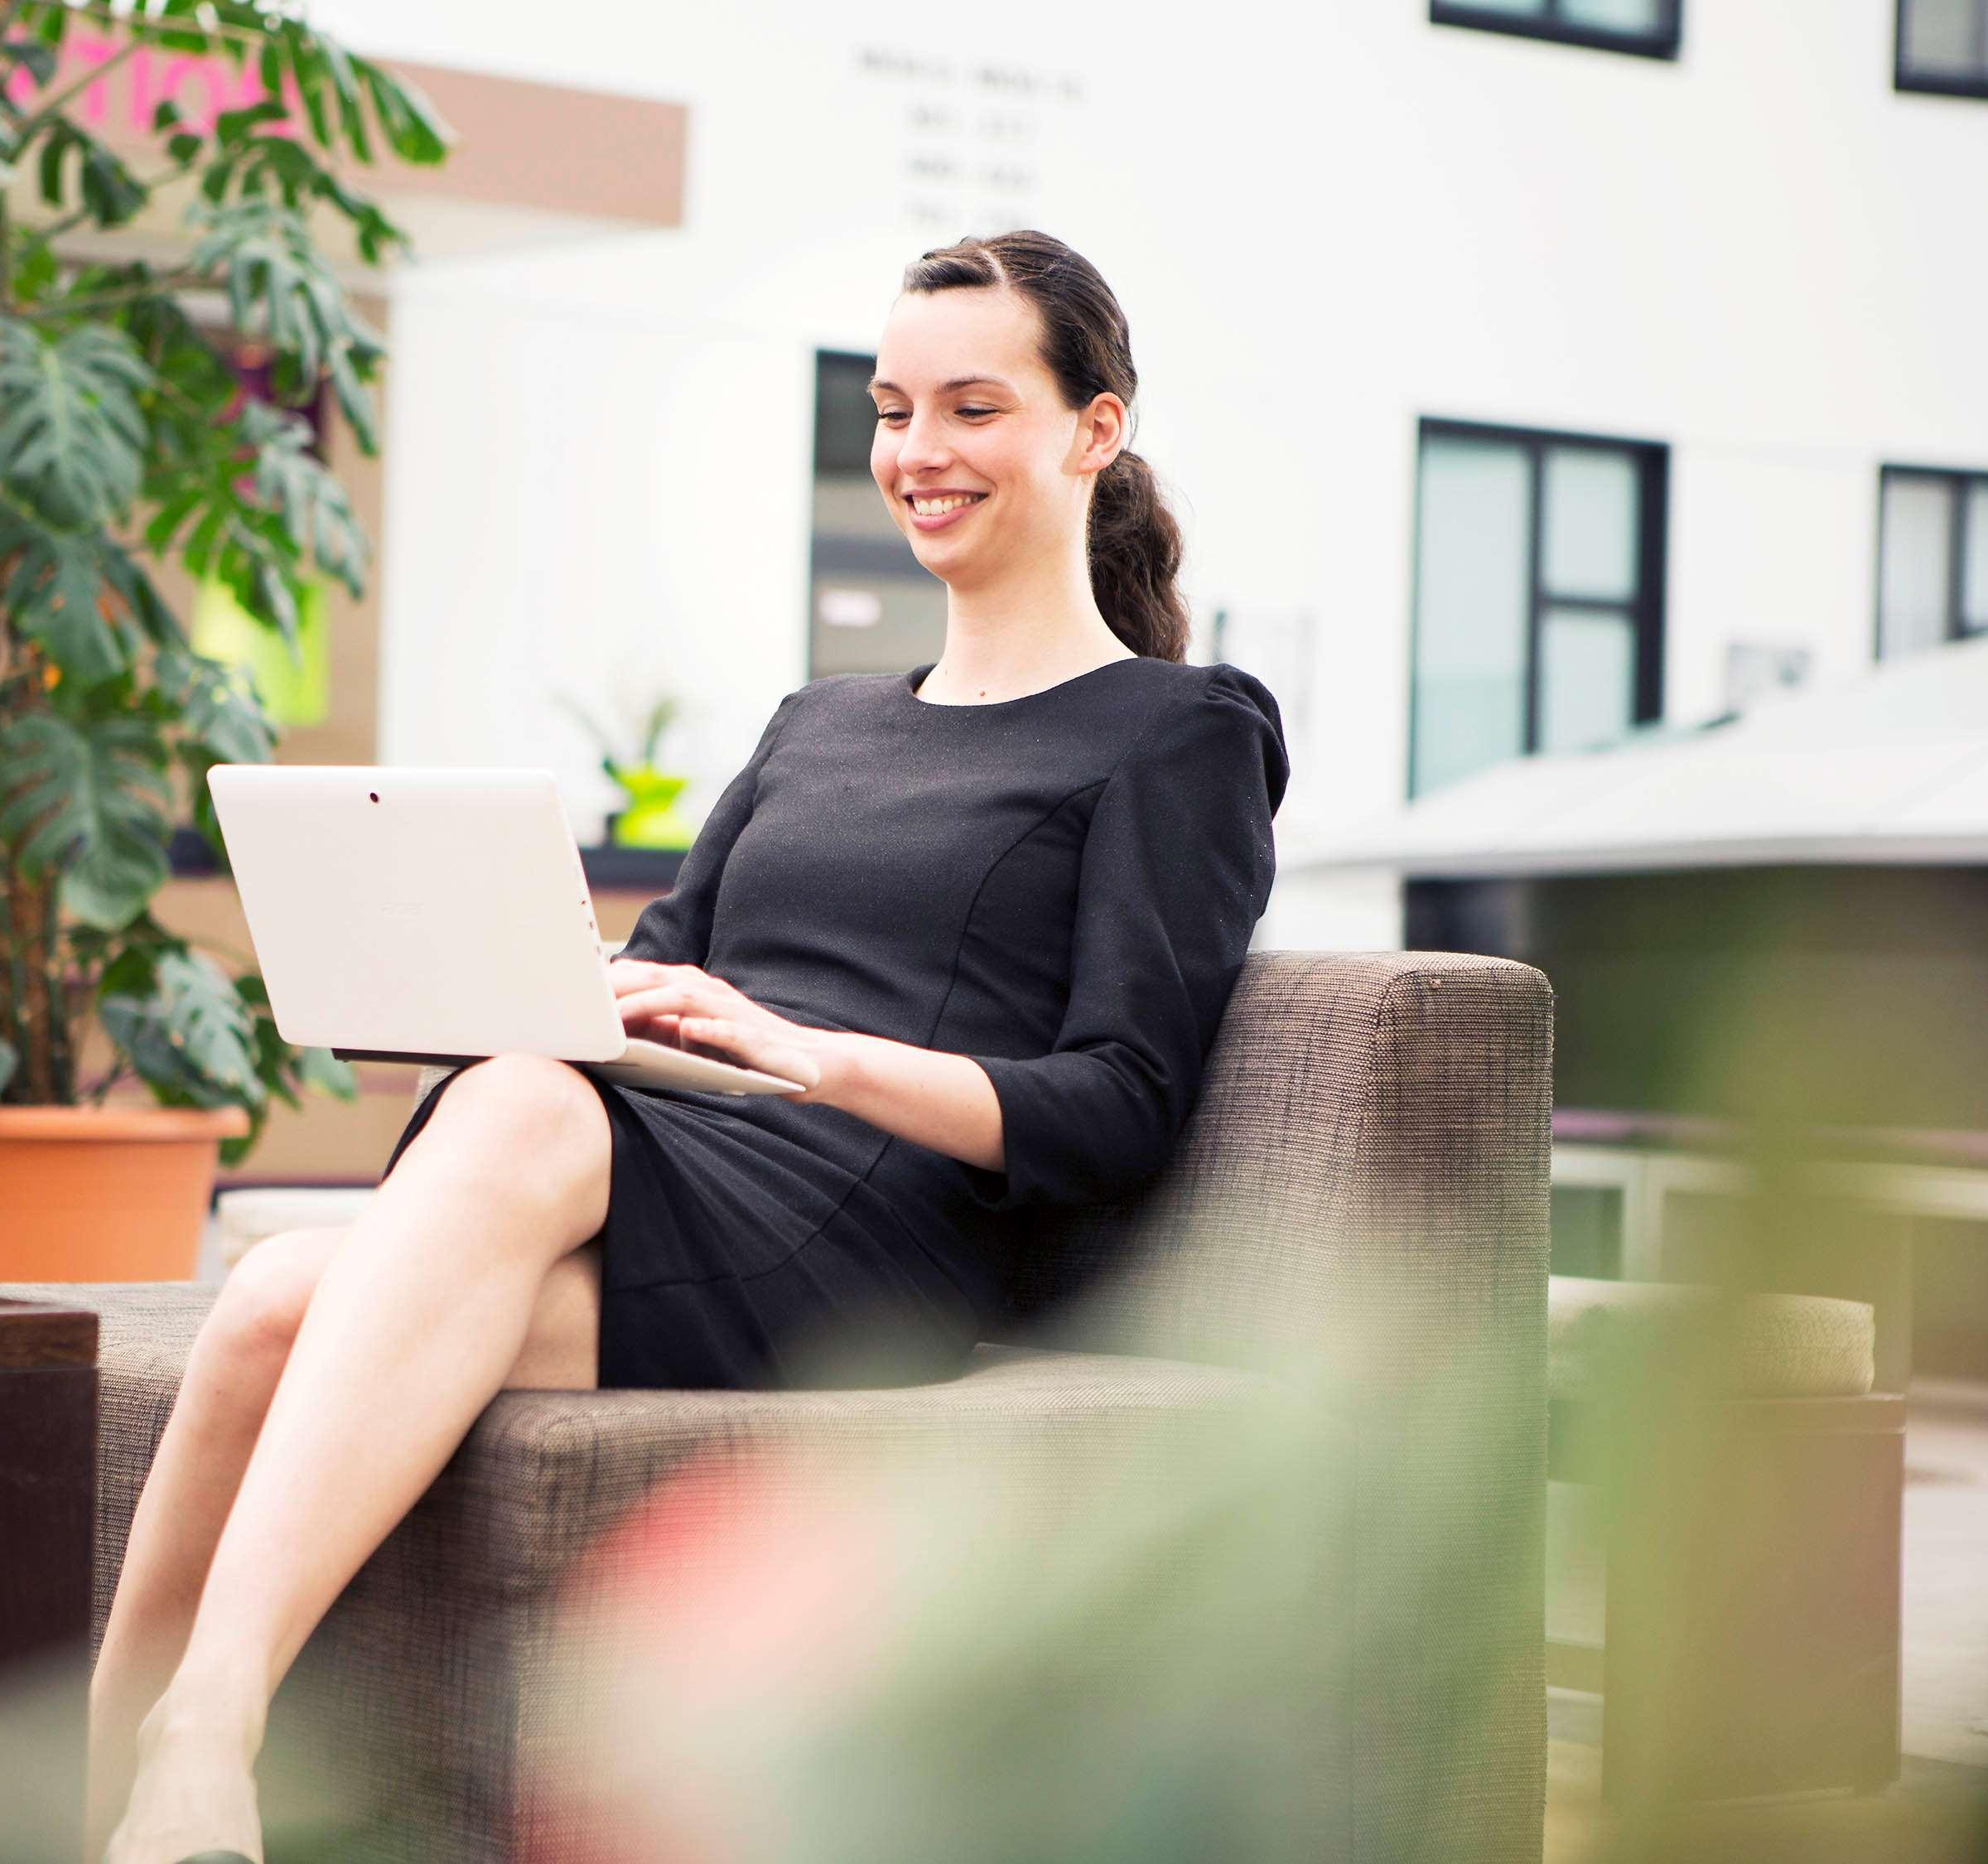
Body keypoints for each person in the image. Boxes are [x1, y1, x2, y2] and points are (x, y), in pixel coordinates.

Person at [88, 227, 1291, 1864]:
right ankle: (122, 1792)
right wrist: (518, 982)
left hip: (879, 1226)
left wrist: (806, 1053)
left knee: (504, 1119)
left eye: (971, 407)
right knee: (270, 1307)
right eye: (889, 409)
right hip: (695, 1169)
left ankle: (214, 1721)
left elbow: (1121, 1106)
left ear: (1095, 430)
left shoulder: (1182, 731)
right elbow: (660, 978)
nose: (917, 453)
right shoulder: (823, 721)